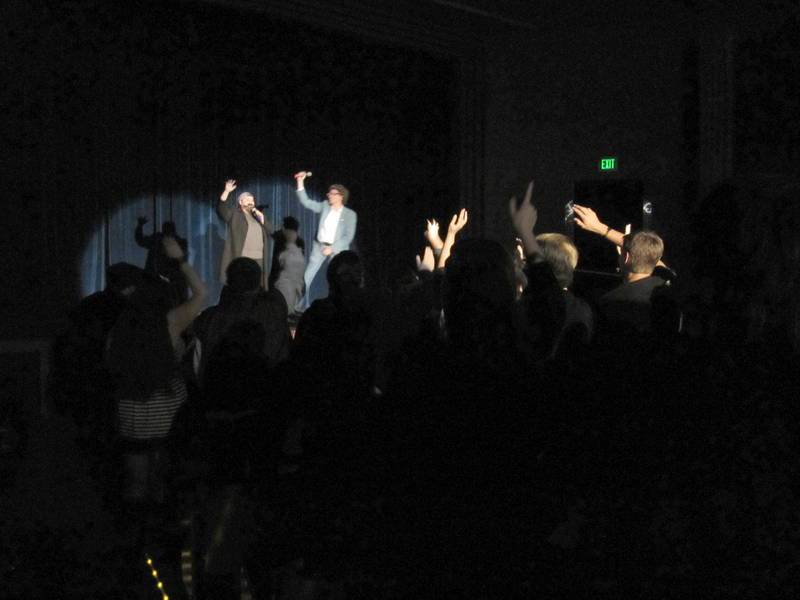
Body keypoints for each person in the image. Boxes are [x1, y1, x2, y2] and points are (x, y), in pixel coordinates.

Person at [293, 171, 357, 310]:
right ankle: (301, 306)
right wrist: (300, 182)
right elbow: (307, 202)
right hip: (319, 246)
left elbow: (348, 237)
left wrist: (332, 248)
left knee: (338, 277)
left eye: (332, 194)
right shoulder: (324, 206)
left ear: (340, 196)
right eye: (329, 193)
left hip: (338, 250)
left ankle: (339, 306)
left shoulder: (350, 214)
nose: (329, 195)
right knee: (308, 276)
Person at [217, 179, 273, 287]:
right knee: (241, 285)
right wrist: (226, 191)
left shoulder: (258, 216)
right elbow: (222, 209)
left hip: (259, 258)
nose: (250, 201)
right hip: (242, 257)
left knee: (258, 286)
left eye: (252, 200)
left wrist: (262, 219)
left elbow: (271, 231)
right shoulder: (235, 214)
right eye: (247, 199)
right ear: (240, 202)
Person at [135, 217, 189, 303]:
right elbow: (141, 241)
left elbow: (141, 240)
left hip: (169, 280)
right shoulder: (157, 240)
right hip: (156, 278)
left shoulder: (176, 243)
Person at [269, 216, 307, 319]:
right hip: (291, 279)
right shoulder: (299, 241)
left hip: (284, 278)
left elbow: (277, 264)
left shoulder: (280, 239)